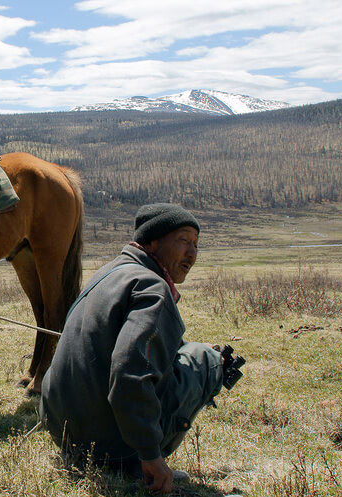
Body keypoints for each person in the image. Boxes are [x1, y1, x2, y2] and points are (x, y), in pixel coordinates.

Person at [40, 203, 223, 493]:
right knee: (204, 359)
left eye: (196, 245)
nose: (192, 253)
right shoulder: (153, 288)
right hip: (109, 449)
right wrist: (150, 456)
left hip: (63, 435)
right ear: (152, 241)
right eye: (184, 241)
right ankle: (132, 463)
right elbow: (129, 376)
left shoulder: (108, 272)